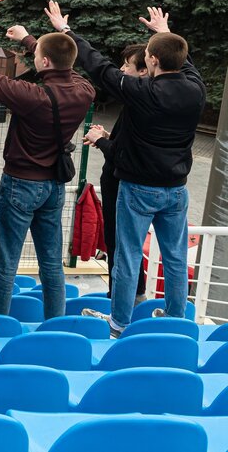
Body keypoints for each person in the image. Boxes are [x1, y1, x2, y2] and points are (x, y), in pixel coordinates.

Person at [45, 3, 205, 337]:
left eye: (148, 53)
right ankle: (177, 321)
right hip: (177, 189)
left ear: (153, 61)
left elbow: (98, 65)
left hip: (138, 189)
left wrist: (66, 30)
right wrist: (163, 31)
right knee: (174, 257)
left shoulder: (142, 92)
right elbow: (184, 60)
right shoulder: (195, 86)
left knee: (128, 256)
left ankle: (119, 322)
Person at [0, 26, 95, 320]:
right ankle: (55, 322)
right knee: (51, 263)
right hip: (53, 187)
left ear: (43, 62)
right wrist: (29, 40)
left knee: (5, 262)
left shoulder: (32, 95)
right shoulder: (84, 91)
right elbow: (63, 67)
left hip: (20, 184)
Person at [83, 43, 149, 300]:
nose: (121, 69)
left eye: (127, 65)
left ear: (144, 70)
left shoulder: (139, 102)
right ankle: (135, 295)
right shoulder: (148, 98)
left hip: (121, 185)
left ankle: (121, 303)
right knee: (125, 246)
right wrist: (108, 136)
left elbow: (122, 157)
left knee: (119, 245)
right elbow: (132, 147)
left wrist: (100, 141)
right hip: (128, 181)